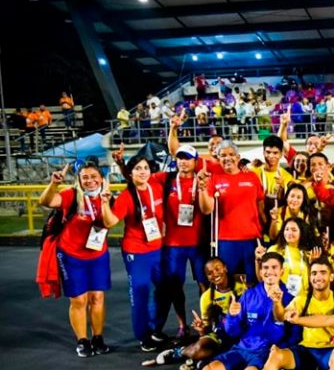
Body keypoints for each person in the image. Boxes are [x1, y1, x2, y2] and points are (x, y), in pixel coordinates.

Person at [144, 252, 293, 370]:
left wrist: (278, 353)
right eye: (265, 268)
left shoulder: (290, 298)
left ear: (282, 271)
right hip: (242, 348)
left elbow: (291, 335)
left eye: (274, 268)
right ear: (260, 271)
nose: (269, 272)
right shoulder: (249, 295)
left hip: (264, 354)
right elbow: (233, 332)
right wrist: (232, 316)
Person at [38, 161, 112, 357]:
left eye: (94, 176)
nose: (90, 181)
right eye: (85, 177)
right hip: (71, 255)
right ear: (79, 179)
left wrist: (106, 202)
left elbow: (112, 221)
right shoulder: (71, 195)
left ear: (101, 178)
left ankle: (98, 338)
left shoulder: (107, 197)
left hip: (98, 254)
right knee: (79, 299)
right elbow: (46, 201)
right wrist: (54, 184)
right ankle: (82, 340)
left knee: (97, 297)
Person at [101, 156, 166, 351]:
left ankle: (154, 328)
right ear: (130, 174)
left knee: (164, 290)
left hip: (158, 248)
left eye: (145, 167)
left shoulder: (156, 187)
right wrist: (105, 203)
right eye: (138, 168)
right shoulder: (126, 197)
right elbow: (110, 222)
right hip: (137, 252)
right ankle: (143, 335)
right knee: (140, 294)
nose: (143, 171)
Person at [153, 144, 207, 339]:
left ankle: (206, 323)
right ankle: (182, 325)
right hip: (173, 244)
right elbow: (138, 177)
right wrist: (122, 166)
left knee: (204, 285)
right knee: (176, 287)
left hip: (199, 243)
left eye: (187, 158)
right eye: (180, 158)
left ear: (195, 161)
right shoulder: (166, 179)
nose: (183, 162)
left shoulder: (203, 180)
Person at [196, 140, 266, 285]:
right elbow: (207, 209)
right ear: (218, 158)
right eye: (223, 155)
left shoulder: (252, 177)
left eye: (231, 154)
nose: (228, 158)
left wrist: (265, 230)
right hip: (226, 240)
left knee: (254, 280)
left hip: (252, 238)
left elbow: (261, 206)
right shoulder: (214, 179)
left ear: (238, 157)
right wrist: (202, 189)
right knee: (227, 282)